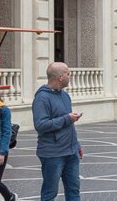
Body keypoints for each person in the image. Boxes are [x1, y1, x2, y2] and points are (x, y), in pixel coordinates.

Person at [33, 62, 82, 201]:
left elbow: (69, 125)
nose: (70, 76)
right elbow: (41, 125)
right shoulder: (42, 98)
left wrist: (76, 144)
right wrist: (67, 118)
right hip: (52, 154)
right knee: (50, 193)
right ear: (60, 77)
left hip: (71, 153)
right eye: (68, 73)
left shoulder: (65, 96)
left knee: (74, 190)